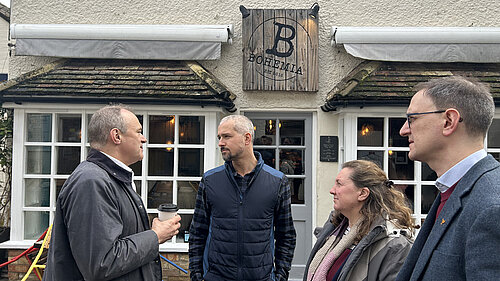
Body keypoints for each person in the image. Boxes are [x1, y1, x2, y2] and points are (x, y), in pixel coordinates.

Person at [43, 105, 181, 280]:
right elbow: (102, 263)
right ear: (116, 136)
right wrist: (155, 236)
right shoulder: (91, 182)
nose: (144, 139)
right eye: (138, 132)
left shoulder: (110, 178)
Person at [396, 76, 500, 281]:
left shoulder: (491, 207)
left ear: (449, 121)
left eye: (412, 118)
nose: (403, 130)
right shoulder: (455, 189)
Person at [189, 115, 296, 281]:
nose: (220, 143)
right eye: (219, 137)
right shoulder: (210, 180)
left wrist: (280, 276)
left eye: (227, 136)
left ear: (247, 138)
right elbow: (197, 232)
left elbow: (286, 235)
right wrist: (197, 276)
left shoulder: (277, 181)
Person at [304, 160, 415, 281]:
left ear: (362, 193)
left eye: (339, 184)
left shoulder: (394, 245)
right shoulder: (334, 229)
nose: (332, 190)